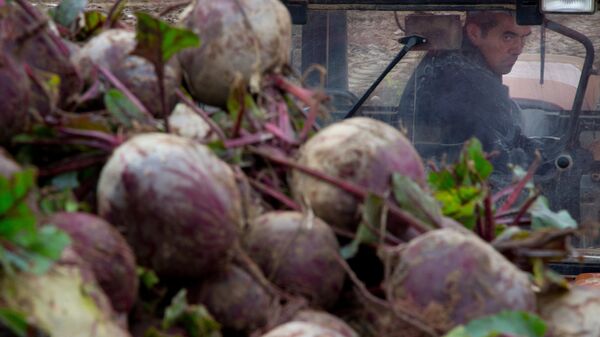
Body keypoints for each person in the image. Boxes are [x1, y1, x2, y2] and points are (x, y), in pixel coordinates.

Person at [398, 11, 538, 180]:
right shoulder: (465, 84)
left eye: (524, 38)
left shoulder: (453, 62)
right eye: (508, 37)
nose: (518, 49)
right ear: (474, 34)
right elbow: (503, 164)